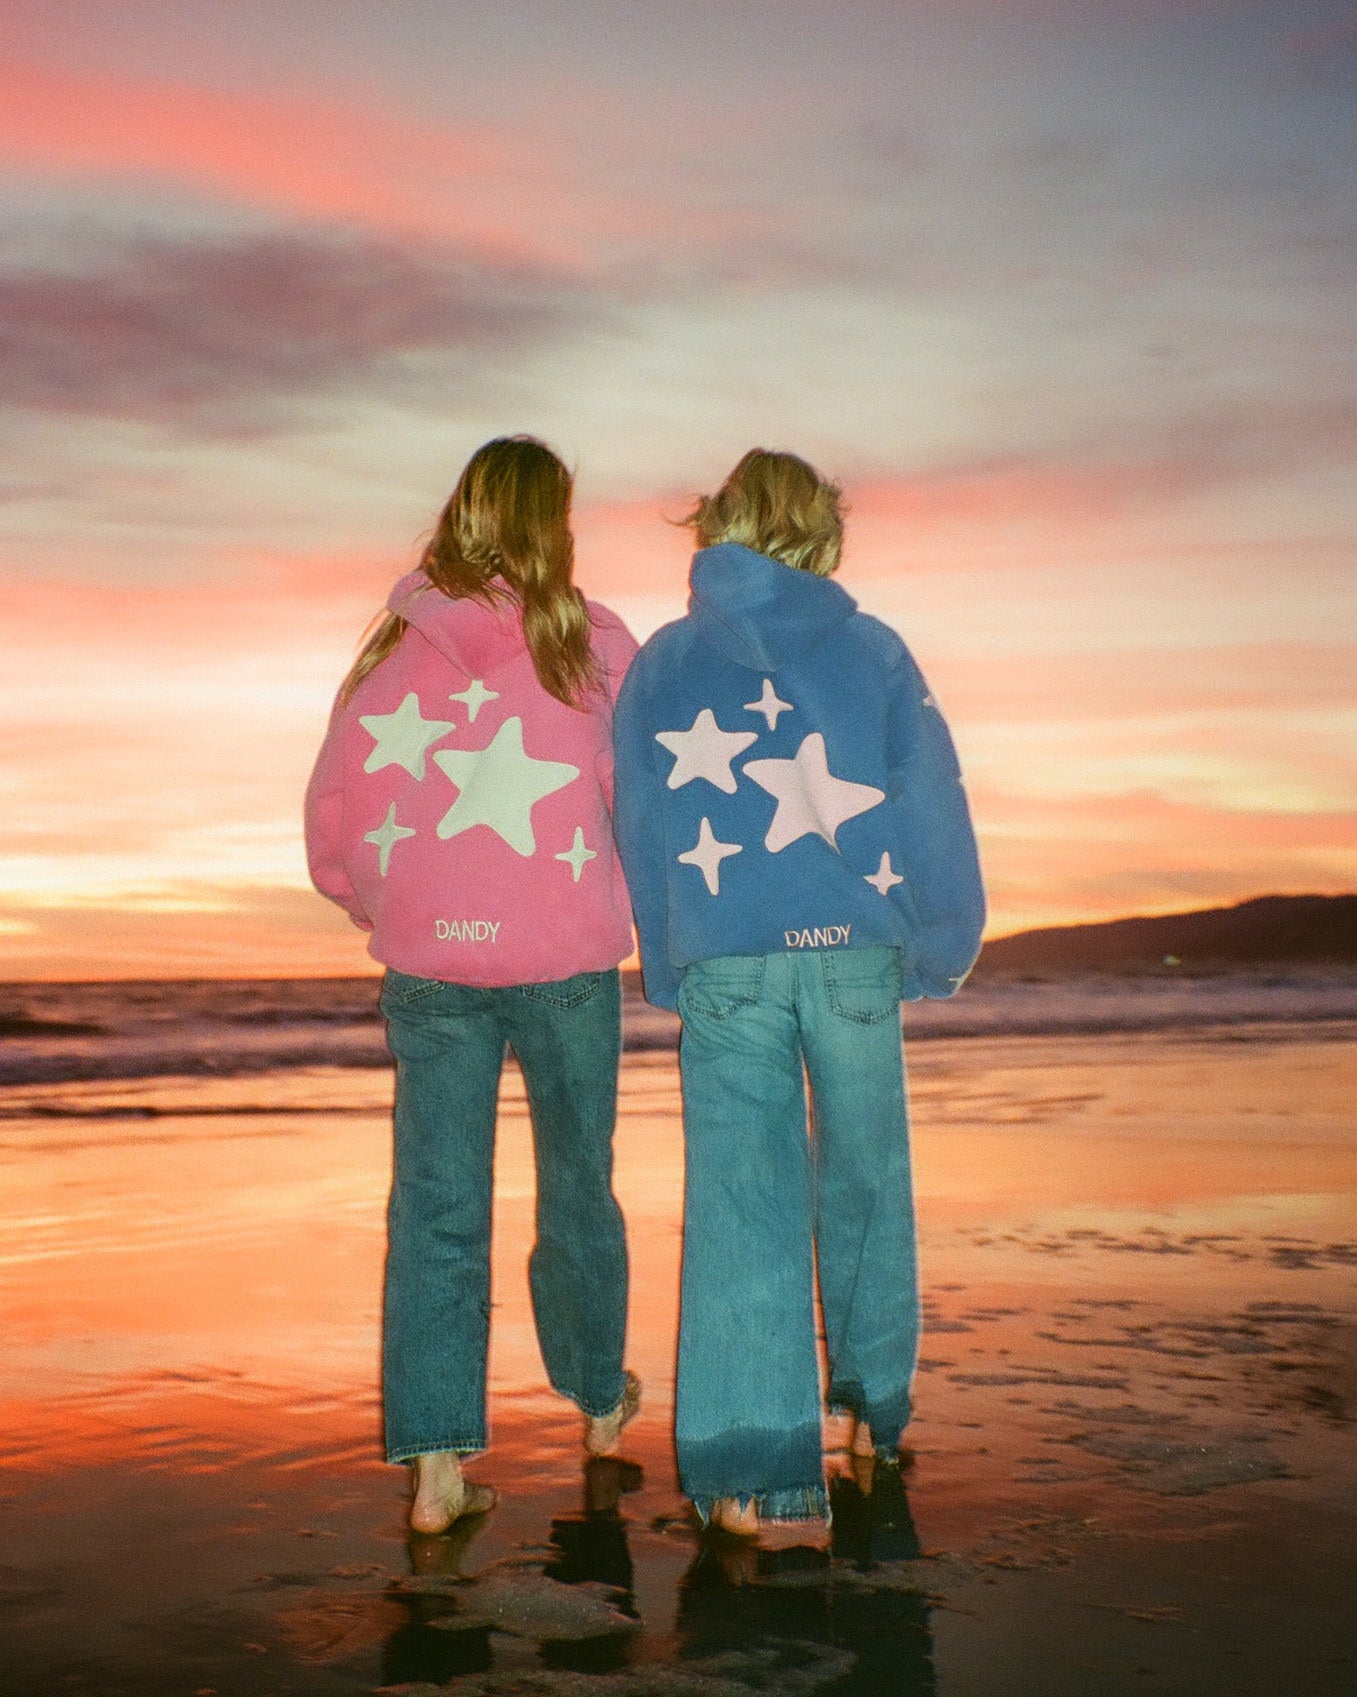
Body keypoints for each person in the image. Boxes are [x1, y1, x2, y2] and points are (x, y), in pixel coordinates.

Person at [613, 448, 984, 1536]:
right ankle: (872, 1411)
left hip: (725, 954)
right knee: (866, 1178)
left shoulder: (666, 660)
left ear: (718, 525)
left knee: (741, 1201)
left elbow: (640, 819)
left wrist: (665, 955)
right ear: (820, 529)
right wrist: (942, 941)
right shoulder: (872, 648)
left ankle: (741, 1475)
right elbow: (930, 796)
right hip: (855, 950)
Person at [305, 436, 641, 1534]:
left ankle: (438, 1471)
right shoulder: (593, 645)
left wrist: (384, 906)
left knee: (436, 1208)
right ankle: (598, 1401)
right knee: (578, 1186)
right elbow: (638, 794)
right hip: (566, 963)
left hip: (430, 969)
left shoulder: (391, 654)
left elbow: (332, 815)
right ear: (552, 524)